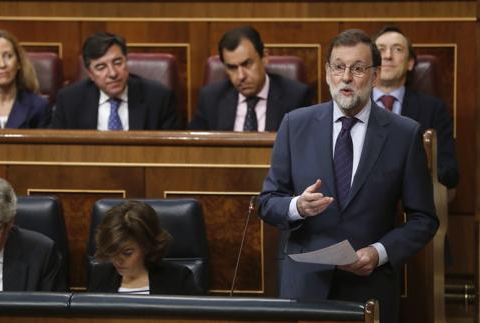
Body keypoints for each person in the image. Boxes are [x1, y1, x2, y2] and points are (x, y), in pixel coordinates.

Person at [258, 29, 438, 323]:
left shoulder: (404, 134)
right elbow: (267, 202)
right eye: (338, 67)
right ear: (328, 72)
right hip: (305, 286)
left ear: (375, 75)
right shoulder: (295, 125)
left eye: (357, 69)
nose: (346, 78)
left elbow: (424, 219)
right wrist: (297, 206)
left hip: (369, 288)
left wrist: (378, 253)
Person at [373, 25, 459, 191]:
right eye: (380, 49)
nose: (388, 56)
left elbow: (450, 172)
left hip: (414, 197)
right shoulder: (354, 105)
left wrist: (422, 173)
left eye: (397, 49)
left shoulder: (434, 109)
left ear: (410, 63)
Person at [188, 25, 310, 132]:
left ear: (264, 58)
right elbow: (194, 150)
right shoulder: (210, 99)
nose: (241, 76)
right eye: (232, 67)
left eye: (247, 64)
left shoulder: (295, 97)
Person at [51, 32, 179, 130]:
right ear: (90, 74)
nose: (112, 73)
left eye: (118, 63)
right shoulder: (69, 101)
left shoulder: (159, 98)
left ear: (126, 62)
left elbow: (171, 153)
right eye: (101, 67)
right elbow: (57, 150)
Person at [87, 200, 201, 295]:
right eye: (112, 251)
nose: (118, 260)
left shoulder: (178, 278)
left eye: (127, 253)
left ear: (147, 246)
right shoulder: (100, 276)